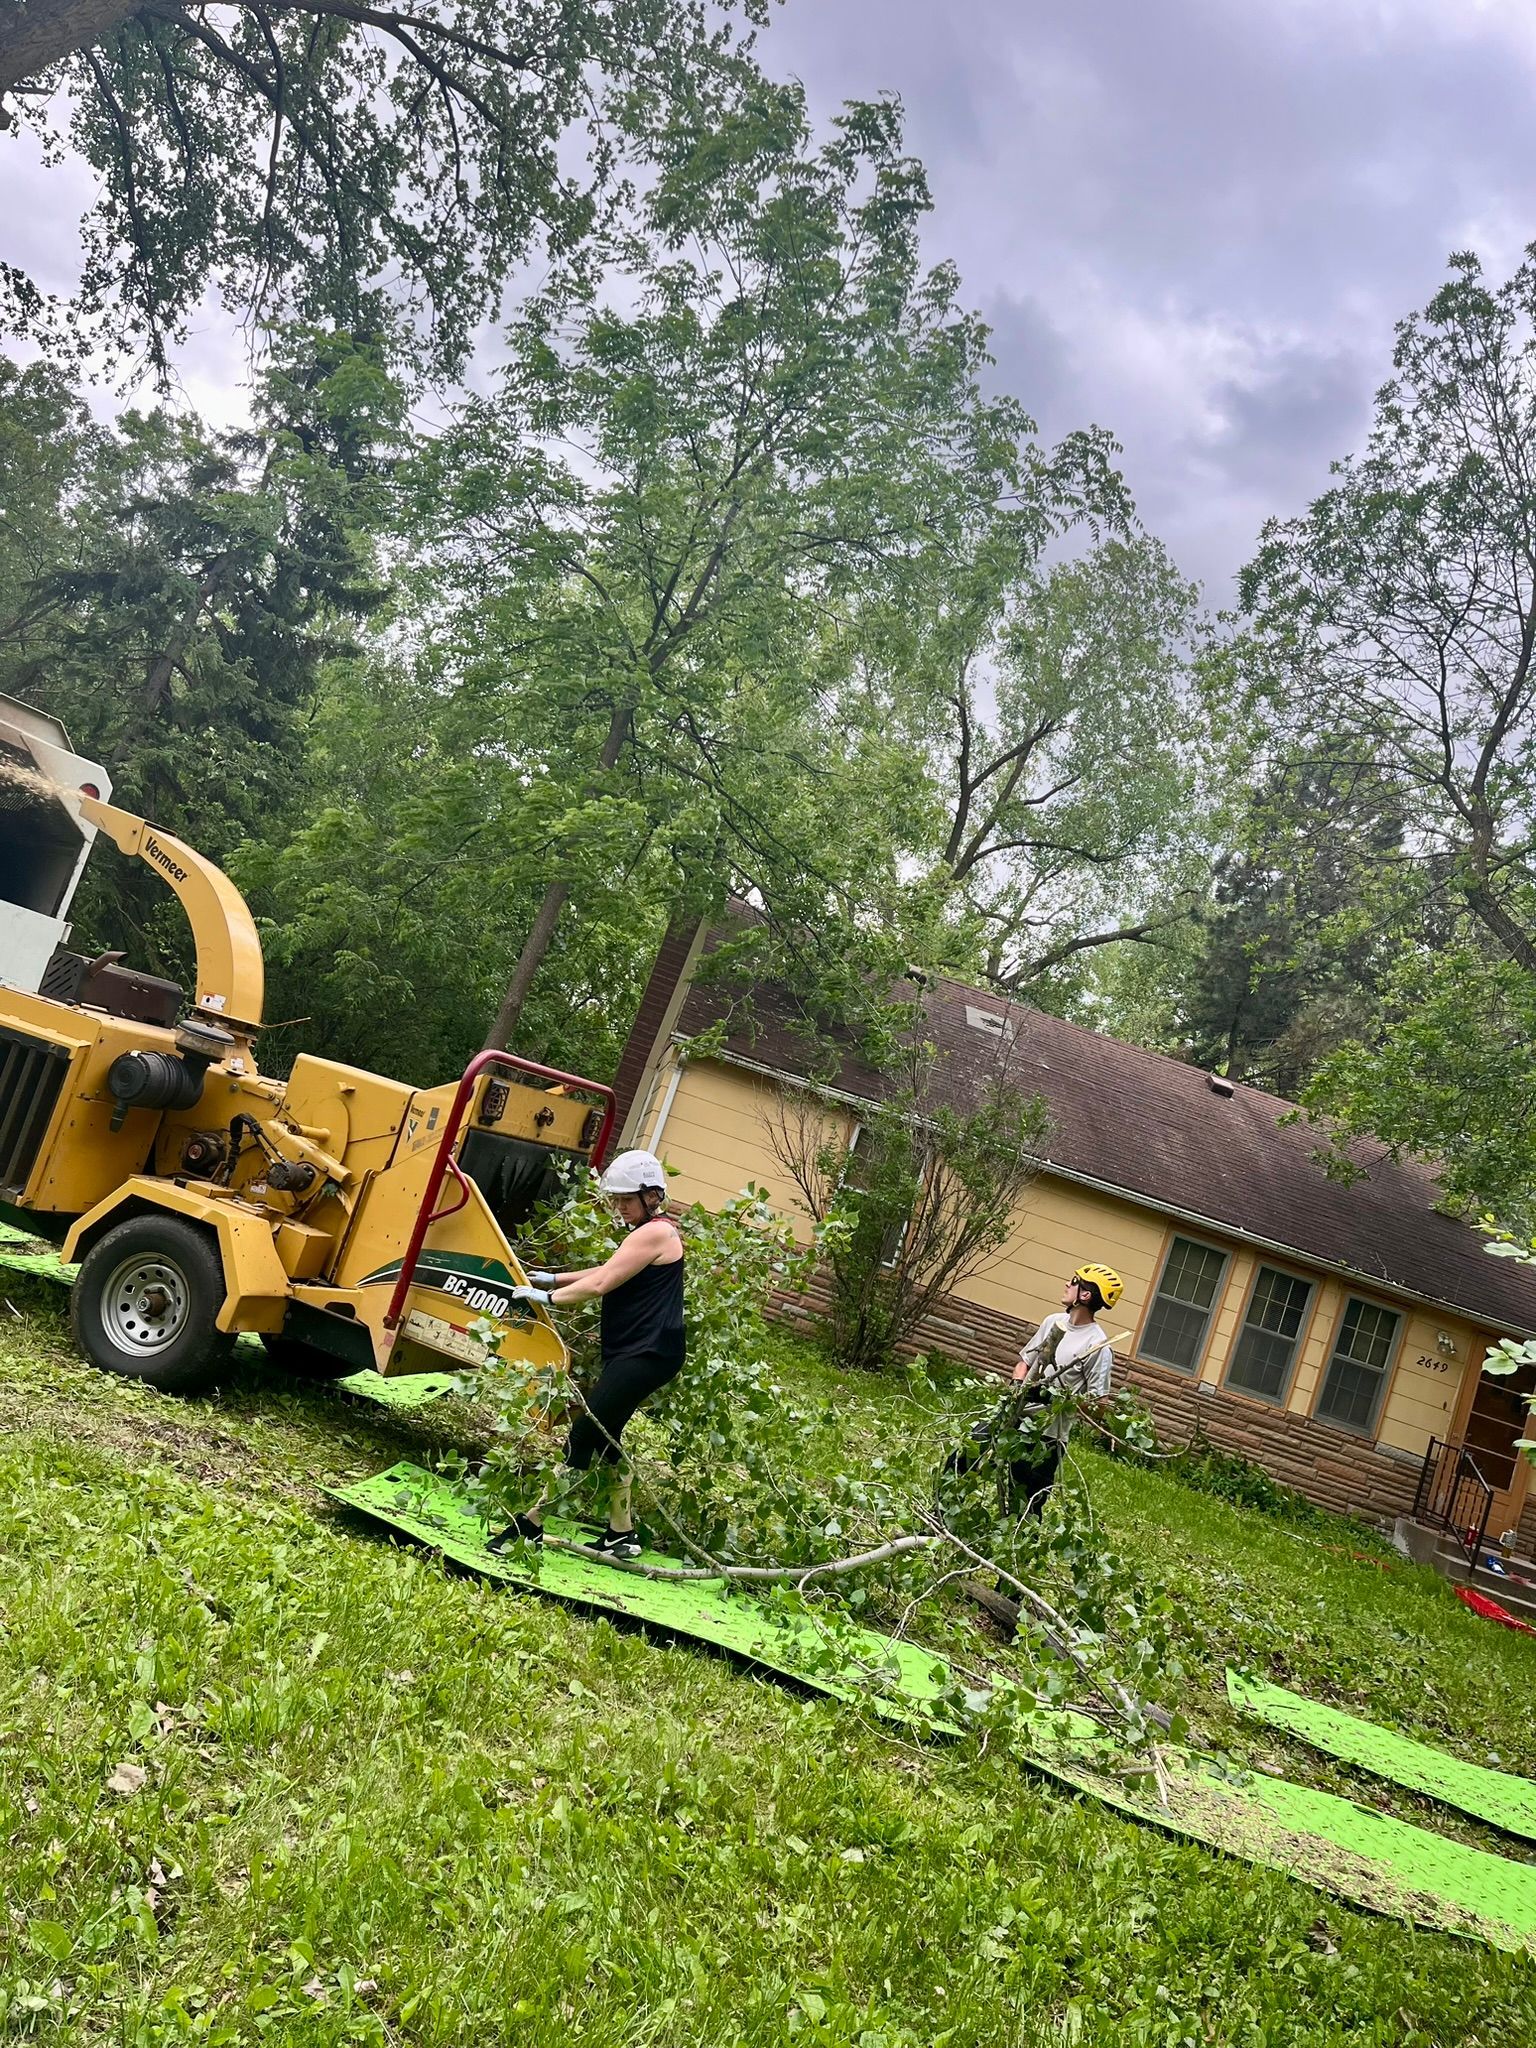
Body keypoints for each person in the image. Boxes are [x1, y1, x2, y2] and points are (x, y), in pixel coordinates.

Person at [487, 1148, 685, 1560]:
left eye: (626, 1200)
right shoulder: (647, 1234)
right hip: (639, 1350)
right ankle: (622, 1534)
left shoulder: (657, 1233)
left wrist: (548, 1296)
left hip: (649, 1353)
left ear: (651, 1197)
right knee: (609, 1439)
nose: (620, 1208)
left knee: (583, 1434)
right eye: (616, 1200)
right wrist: (554, 1277)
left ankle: (530, 1526)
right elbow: (606, 1270)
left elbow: (601, 1284)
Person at [1004, 1263, 1123, 1515]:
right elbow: (1023, 1363)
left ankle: (1020, 1550)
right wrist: (1018, 1385)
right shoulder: (1053, 1322)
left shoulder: (1097, 1345)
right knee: (967, 1461)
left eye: (1074, 1281)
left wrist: (1052, 1397)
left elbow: (1099, 1405)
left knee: (1027, 1505)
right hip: (1016, 1419)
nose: (1067, 1284)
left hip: (1048, 1437)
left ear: (1086, 1295)